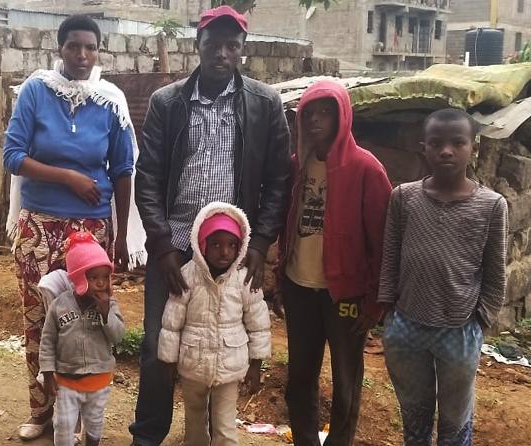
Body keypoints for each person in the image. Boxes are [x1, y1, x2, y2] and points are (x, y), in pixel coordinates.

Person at [131, 5, 290, 445]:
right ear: (197, 46)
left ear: (241, 50)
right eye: (213, 44)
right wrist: (161, 245)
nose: (222, 53)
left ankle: (215, 434)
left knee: (225, 341)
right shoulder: (169, 102)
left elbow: (279, 180)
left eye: (231, 45)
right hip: (178, 245)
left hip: (231, 253)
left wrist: (258, 246)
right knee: (157, 346)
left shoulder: (264, 102)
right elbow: (149, 177)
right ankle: (148, 436)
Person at [3, 14, 145, 440]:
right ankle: (42, 410)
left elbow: (123, 169)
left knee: (86, 321)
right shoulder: (35, 91)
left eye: (90, 47)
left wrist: (119, 236)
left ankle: (82, 409)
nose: (82, 55)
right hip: (38, 229)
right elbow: (13, 156)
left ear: (98, 51)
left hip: (91, 232)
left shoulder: (110, 100)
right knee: (38, 318)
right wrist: (68, 177)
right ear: (59, 48)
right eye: (73, 46)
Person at [378, 108, 508, 445]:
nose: (446, 150)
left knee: (454, 419)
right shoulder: (403, 197)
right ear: (424, 147)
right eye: (436, 143)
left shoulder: (491, 206)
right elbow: (390, 256)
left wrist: (481, 319)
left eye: (457, 143)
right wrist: (388, 311)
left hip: (460, 329)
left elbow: (495, 272)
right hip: (406, 326)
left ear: (472, 148)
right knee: (414, 414)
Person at [275, 80, 392, 446]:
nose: (316, 121)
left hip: (345, 297)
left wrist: (374, 302)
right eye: (310, 112)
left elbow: (383, 240)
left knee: (345, 381)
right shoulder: (296, 165)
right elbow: (285, 224)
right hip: (299, 288)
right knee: (300, 379)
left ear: (343, 116)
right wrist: (280, 279)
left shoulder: (365, 169)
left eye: (327, 112)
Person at [157, 202, 271, 446]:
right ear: (202, 245)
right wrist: (168, 360)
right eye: (216, 244)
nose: (224, 252)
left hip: (230, 368)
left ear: (240, 247)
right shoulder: (187, 274)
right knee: (195, 423)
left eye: (231, 245)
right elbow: (171, 321)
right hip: (192, 365)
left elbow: (259, 323)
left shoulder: (244, 279)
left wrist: (256, 364)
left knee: (225, 427)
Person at [40, 231, 126, 446]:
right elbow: (48, 340)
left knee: (95, 421)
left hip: (99, 380)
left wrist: (106, 313)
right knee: (64, 424)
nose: (101, 283)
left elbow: (118, 337)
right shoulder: (59, 305)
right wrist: (48, 373)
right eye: (93, 277)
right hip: (67, 380)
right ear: (79, 277)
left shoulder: (110, 305)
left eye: (105, 277)